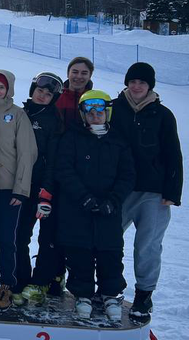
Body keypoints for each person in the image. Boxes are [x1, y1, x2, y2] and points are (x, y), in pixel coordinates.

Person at [111, 62, 183, 322]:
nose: (137, 86)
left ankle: (144, 293)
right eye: (132, 81)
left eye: (142, 82)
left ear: (150, 85)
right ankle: (110, 287)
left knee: (147, 246)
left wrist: (172, 192)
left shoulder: (162, 115)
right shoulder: (114, 109)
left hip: (153, 192)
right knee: (108, 240)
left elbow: (173, 154)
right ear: (126, 83)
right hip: (119, 188)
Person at [56, 90, 135, 321]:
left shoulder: (118, 141)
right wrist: (84, 197)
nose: (94, 115)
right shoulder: (72, 137)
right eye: (89, 111)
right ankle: (83, 295)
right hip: (78, 207)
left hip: (108, 209)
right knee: (80, 252)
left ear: (107, 112)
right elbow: (64, 169)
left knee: (109, 252)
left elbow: (127, 175)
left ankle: (110, 294)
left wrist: (114, 200)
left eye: (99, 110)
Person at [0, 70, 37, 309]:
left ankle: (7, 285)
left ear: (9, 89)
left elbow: (27, 153)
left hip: (8, 188)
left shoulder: (17, 115)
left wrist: (20, 189)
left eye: (1, 87)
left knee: (7, 239)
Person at [15, 73, 66, 306]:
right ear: (32, 88)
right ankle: (19, 281)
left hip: (40, 187)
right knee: (18, 236)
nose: (43, 96)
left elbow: (53, 158)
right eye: (40, 91)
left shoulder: (53, 119)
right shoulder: (22, 112)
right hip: (18, 185)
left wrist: (46, 188)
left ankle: (41, 281)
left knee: (47, 238)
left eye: (48, 94)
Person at [56, 57, 94, 130]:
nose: (79, 76)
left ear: (90, 76)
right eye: (75, 72)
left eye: (84, 73)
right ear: (68, 74)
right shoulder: (56, 98)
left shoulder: (94, 101)